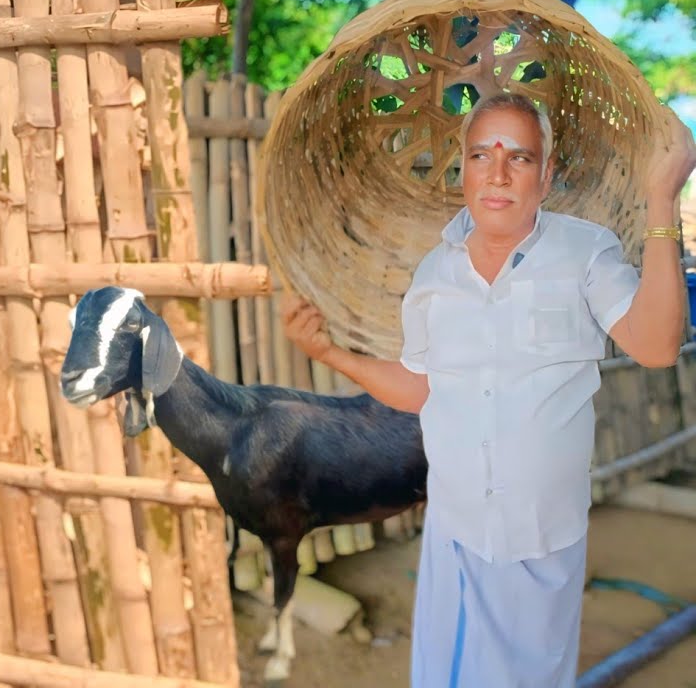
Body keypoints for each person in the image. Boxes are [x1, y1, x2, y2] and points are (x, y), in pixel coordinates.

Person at [281, 92, 696, 687]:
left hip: (538, 539)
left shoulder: (585, 252)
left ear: (546, 174)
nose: (497, 173)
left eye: (519, 158)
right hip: (455, 532)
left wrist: (662, 199)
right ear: (464, 168)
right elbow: (422, 389)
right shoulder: (433, 275)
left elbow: (655, 347)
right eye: (482, 155)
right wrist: (330, 354)